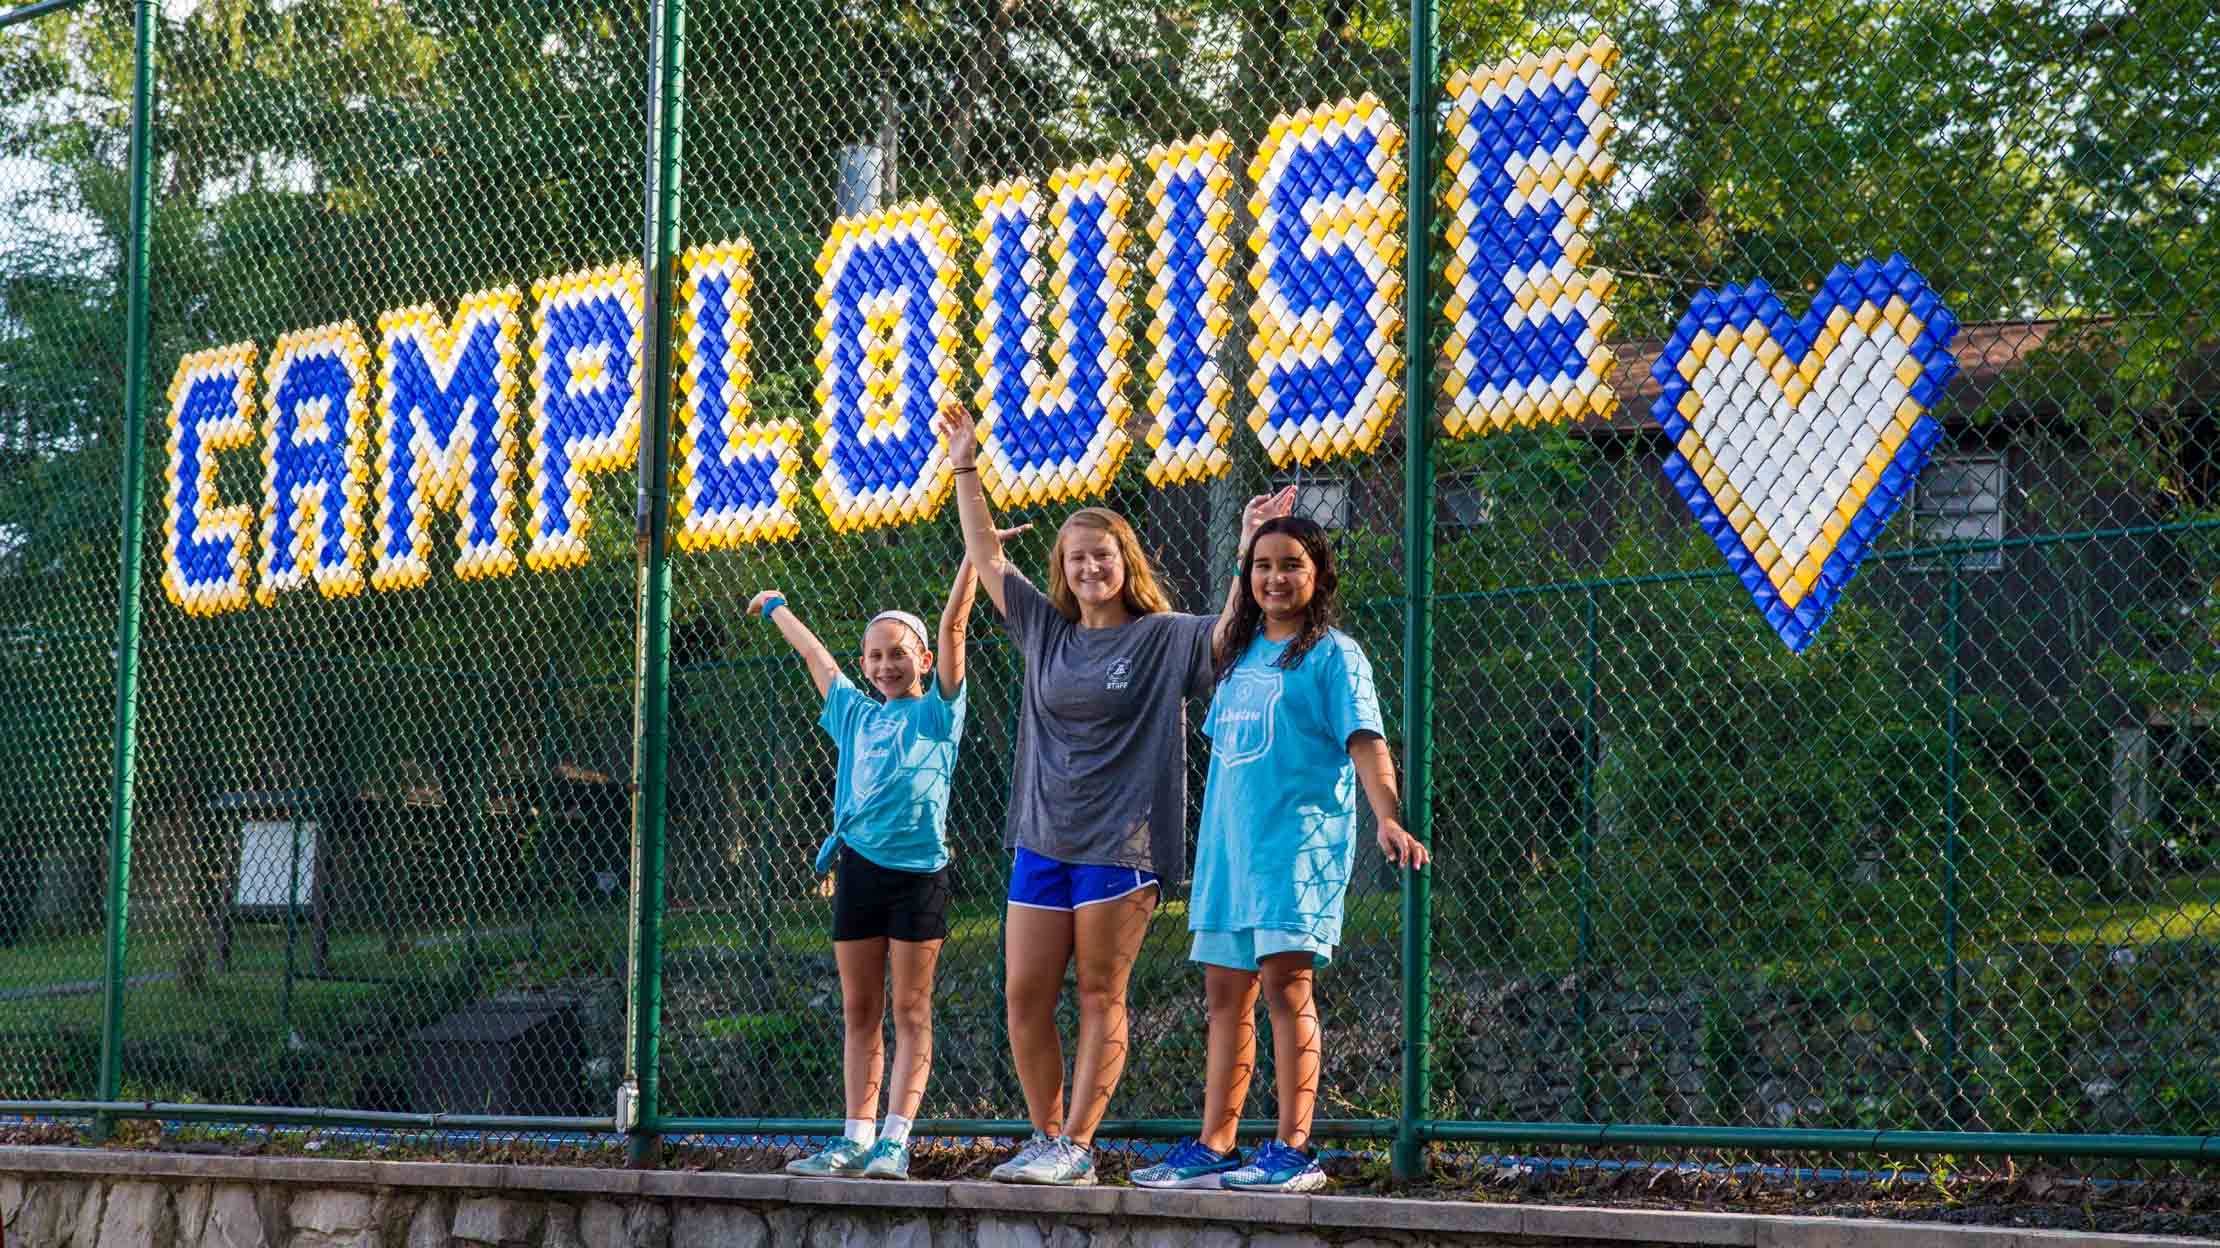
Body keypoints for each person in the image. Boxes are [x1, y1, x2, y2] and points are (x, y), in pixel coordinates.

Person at [934, 403, 1294, 1187]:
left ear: (1124, 561)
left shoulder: (1161, 636)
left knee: (1101, 992)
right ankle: (1043, 1136)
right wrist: (966, 465)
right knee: (1024, 996)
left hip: (1121, 847)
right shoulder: (1045, 630)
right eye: (1074, 560)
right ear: (1061, 571)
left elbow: (1228, 637)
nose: (1087, 569)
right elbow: (987, 561)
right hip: (1040, 840)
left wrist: (1242, 551)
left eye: (1100, 556)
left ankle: (1077, 1145)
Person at [1129, 514, 1429, 1193]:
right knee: (1224, 999)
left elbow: (1367, 744)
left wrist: (1387, 816)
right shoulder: (1238, 657)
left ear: (1318, 573)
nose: (1275, 577)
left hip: (1295, 854)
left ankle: (1295, 1150)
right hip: (1228, 858)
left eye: (1290, 564)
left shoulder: (1335, 656)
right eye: (1262, 565)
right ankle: (1217, 1145)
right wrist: (1245, 537)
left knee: (1289, 992)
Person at [748, 531, 1020, 1181]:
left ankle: (896, 1139)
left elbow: (955, 626)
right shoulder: (855, 716)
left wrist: (970, 558)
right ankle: (855, 1135)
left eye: (897, 654)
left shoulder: (939, 713)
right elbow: (817, 658)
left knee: (910, 1009)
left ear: (922, 660)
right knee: (860, 1010)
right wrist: (776, 606)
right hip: (860, 872)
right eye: (874, 656)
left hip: (920, 877)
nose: (885, 665)